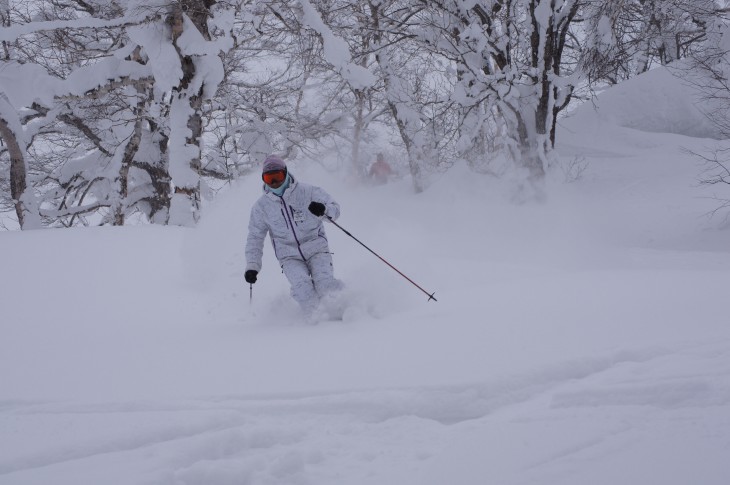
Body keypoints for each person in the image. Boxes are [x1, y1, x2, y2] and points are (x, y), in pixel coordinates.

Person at [244, 155, 343, 317]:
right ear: (264, 180)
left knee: (325, 285)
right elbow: (255, 237)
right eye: (269, 179)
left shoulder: (308, 191)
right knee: (303, 290)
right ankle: (318, 323)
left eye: (277, 177)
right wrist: (252, 266)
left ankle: (346, 308)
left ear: (286, 173)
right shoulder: (261, 207)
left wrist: (324, 210)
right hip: (289, 257)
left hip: (317, 249)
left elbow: (335, 209)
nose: (274, 182)